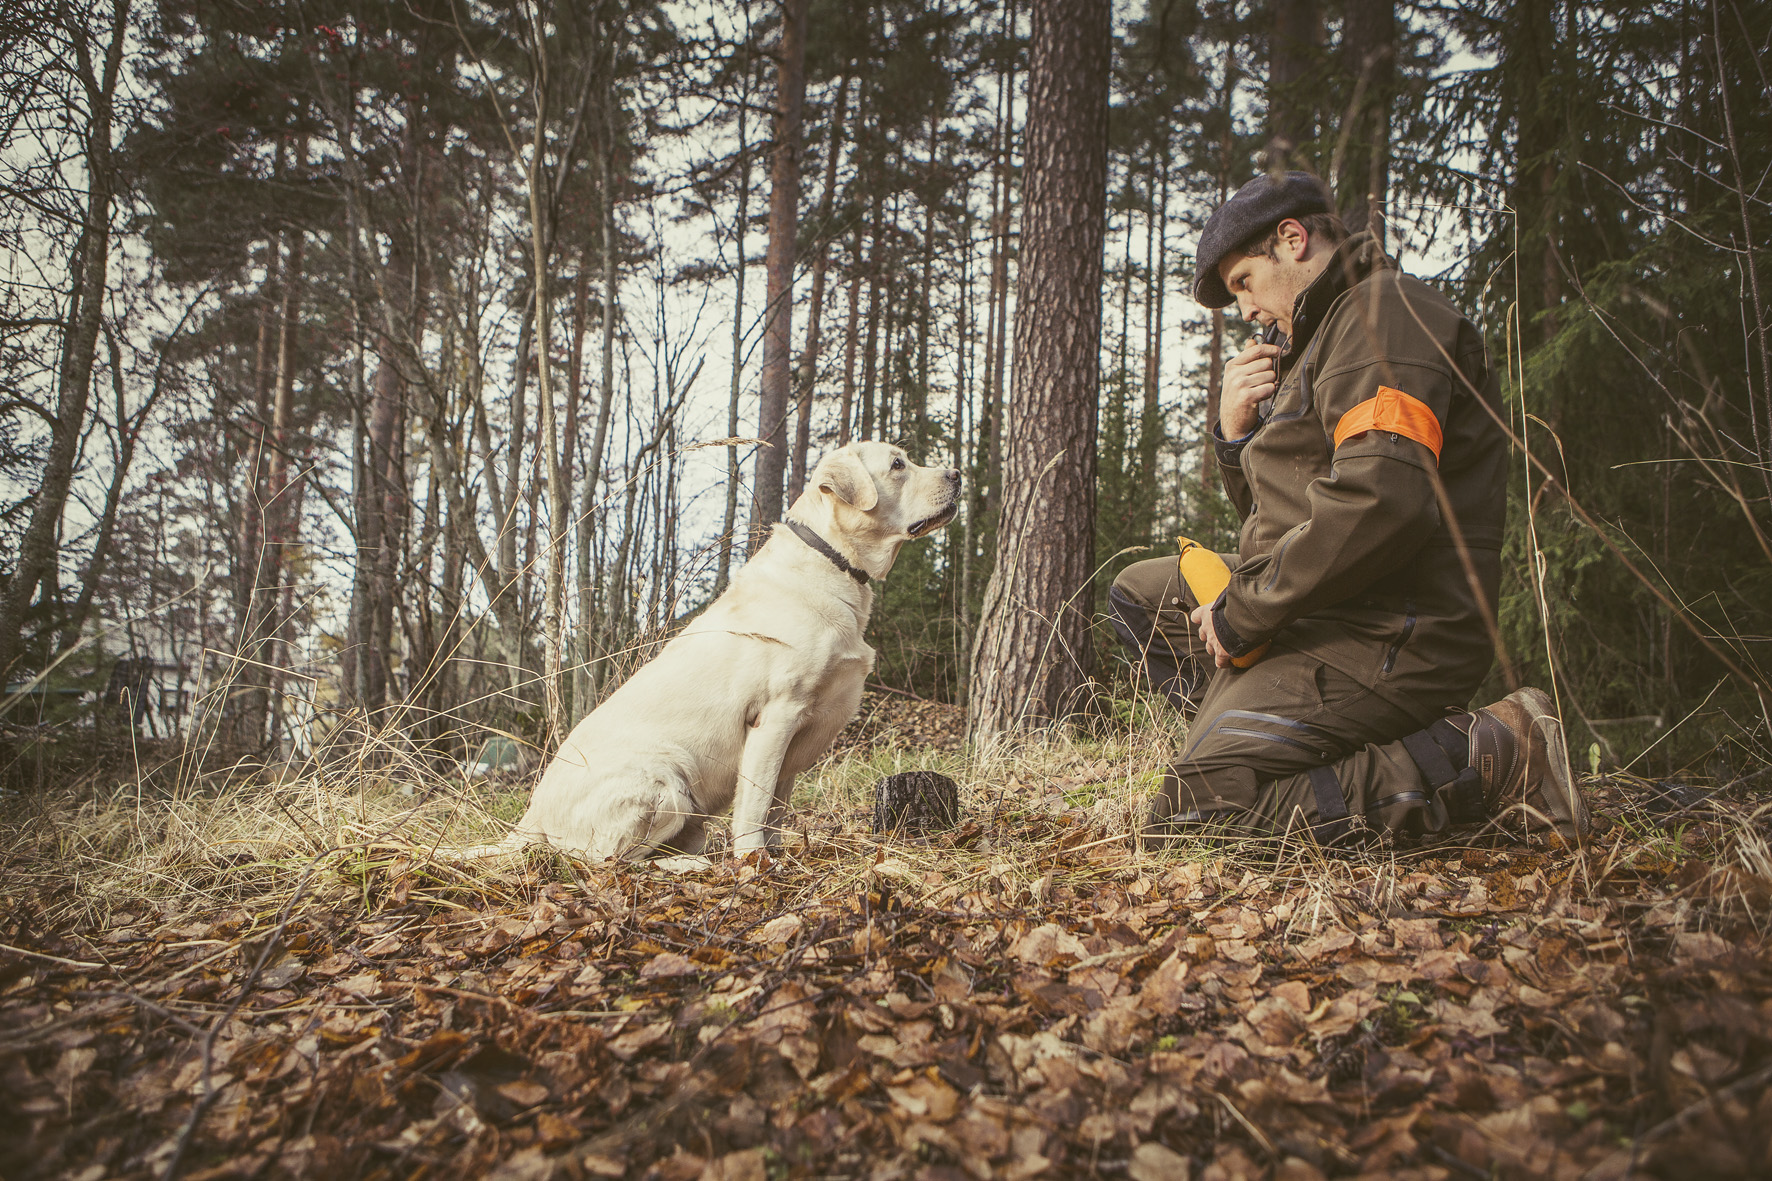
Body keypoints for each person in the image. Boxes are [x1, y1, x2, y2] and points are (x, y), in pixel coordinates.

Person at [1109, 171, 1587, 846]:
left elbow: (1381, 504)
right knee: (1140, 594)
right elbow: (1287, 511)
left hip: (1393, 631)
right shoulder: (1320, 341)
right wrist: (1235, 434)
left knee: (1192, 819)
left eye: (1245, 281)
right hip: (1327, 606)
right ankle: (1259, 743)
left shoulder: (1382, 316)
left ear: (1293, 240)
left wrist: (1243, 612)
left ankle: (1490, 753)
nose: (1243, 308)